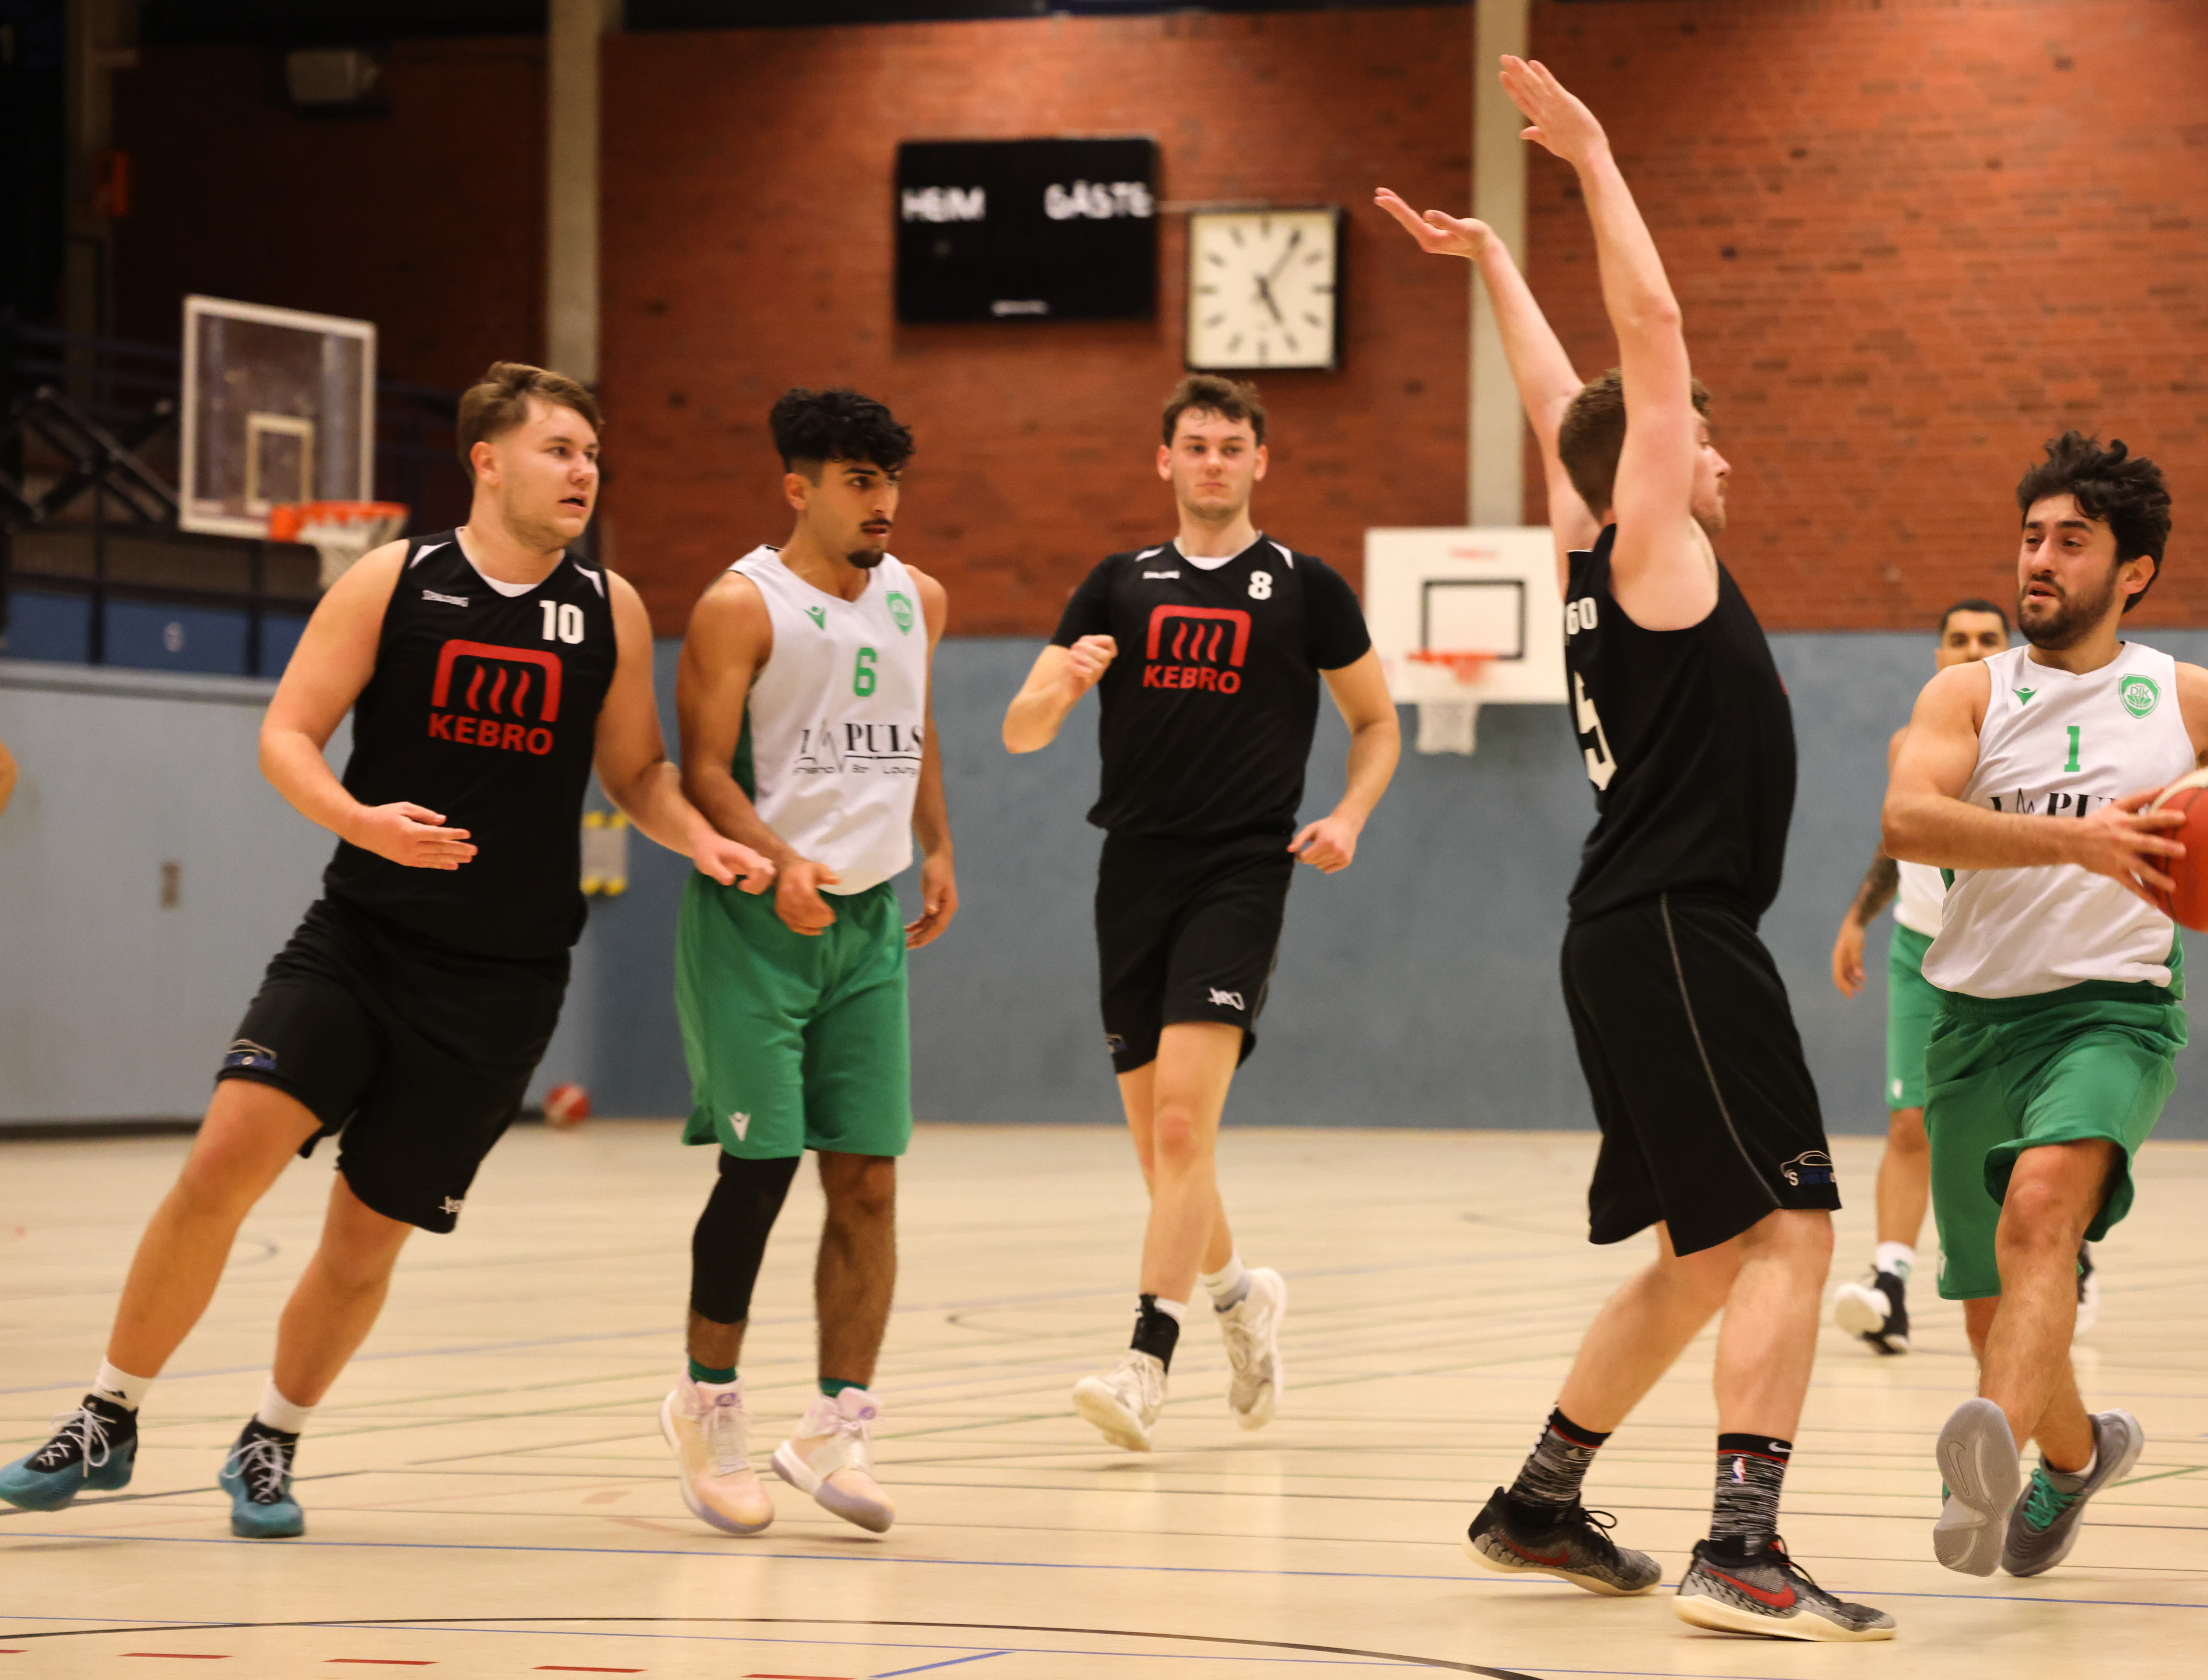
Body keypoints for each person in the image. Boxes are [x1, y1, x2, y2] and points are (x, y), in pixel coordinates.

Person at [0, 362, 771, 1536]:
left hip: (502, 984)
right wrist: (358, 820)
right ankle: (108, 1413)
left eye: (591, 453)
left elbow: (637, 774)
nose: (584, 471)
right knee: (219, 1166)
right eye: (560, 449)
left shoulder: (606, 605)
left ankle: (271, 1440)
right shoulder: (393, 578)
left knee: (364, 1240)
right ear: (488, 461)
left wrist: (701, 841)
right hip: (359, 943)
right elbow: (287, 734)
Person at [1378, 57, 1893, 1644]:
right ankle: (1743, 1543)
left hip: (1624, 929)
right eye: (1698, 445)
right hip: (1675, 926)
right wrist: (1595, 157)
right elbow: (1648, 341)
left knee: (1702, 1252)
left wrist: (1496, 261)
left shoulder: (1590, 552)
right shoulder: (1659, 551)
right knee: (1794, 1224)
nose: (1715, 460)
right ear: (1656, 473)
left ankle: (1538, 1499)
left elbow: (1568, 413)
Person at [1882, 431, 2208, 1578]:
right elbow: (1906, 821)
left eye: (2069, 542)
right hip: (1970, 1019)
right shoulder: (1966, 692)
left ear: (2131, 570)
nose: (2038, 559)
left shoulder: (2183, 698)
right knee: (1989, 1306)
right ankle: (2074, 1457)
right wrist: (2076, 842)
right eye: (2029, 537)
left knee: (2040, 1215)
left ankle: (1978, 1466)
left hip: (2111, 1013)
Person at [1001, 373, 1399, 1452]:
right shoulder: (1115, 585)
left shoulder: (1306, 587)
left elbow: (1376, 723)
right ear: (1164, 460)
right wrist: (1064, 686)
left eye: (1231, 446)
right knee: (1159, 1149)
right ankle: (1238, 1297)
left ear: (1259, 461)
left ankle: (1145, 1363)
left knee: (1183, 1125)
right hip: (1132, 872)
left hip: (1242, 871)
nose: (1213, 462)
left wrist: (1349, 815)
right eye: (1196, 445)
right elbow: (1020, 731)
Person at [659, 387, 956, 1536]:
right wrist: (780, 860)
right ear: (798, 488)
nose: (883, 503)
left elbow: (916, 728)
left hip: (868, 925)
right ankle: (704, 1406)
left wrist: (938, 846)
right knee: (761, 1167)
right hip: (756, 923)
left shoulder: (918, 597)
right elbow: (702, 769)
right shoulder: (741, 605)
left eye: (891, 481)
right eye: (858, 482)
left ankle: (836, 1427)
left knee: (869, 1179)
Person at [1827, 600, 2011, 1355]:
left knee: (2018, 1133)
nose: (1970, 649)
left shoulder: (2032, 739)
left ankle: (2064, 1256)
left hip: (2004, 955)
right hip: (1919, 950)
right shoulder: (1912, 741)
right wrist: (1857, 917)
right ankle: (1890, 1286)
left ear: (2010, 651)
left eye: (1987, 639)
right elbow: (1898, 837)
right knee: (1910, 1122)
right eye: (1957, 639)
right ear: (1937, 655)